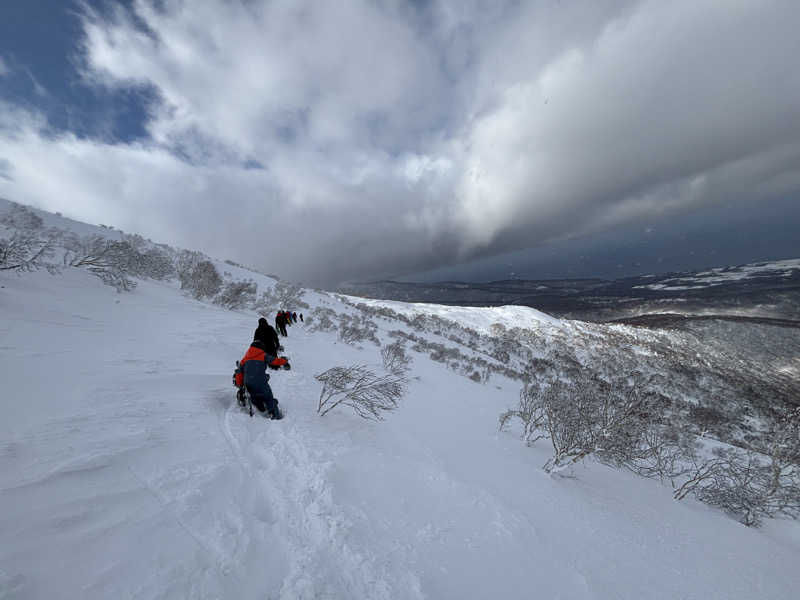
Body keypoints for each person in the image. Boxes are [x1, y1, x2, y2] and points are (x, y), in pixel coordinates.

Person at [240, 339, 282, 419]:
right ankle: (275, 414)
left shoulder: (245, 358)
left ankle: (260, 406)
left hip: (248, 383)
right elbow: (275, 361)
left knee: (254, 395)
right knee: (268, 397)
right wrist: (284, 360)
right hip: (260, 382)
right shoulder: (263, 355)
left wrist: (240, 385)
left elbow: (239, 373)